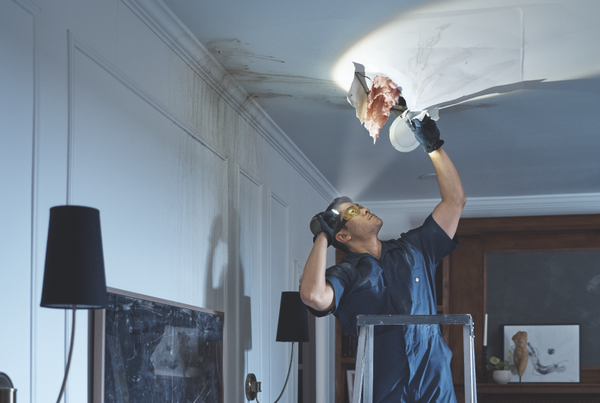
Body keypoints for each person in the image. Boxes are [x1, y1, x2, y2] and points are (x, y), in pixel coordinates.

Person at [300, 114, 466, 403]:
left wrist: (433, 147)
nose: (364, 209)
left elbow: (455, 201)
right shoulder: (346, 275)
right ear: (342, 236)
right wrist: (321, 237)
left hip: (434, 377)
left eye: (360, 206)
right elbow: (313, 296)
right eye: (353, 213)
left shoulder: (415, 247)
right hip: (385, 386)